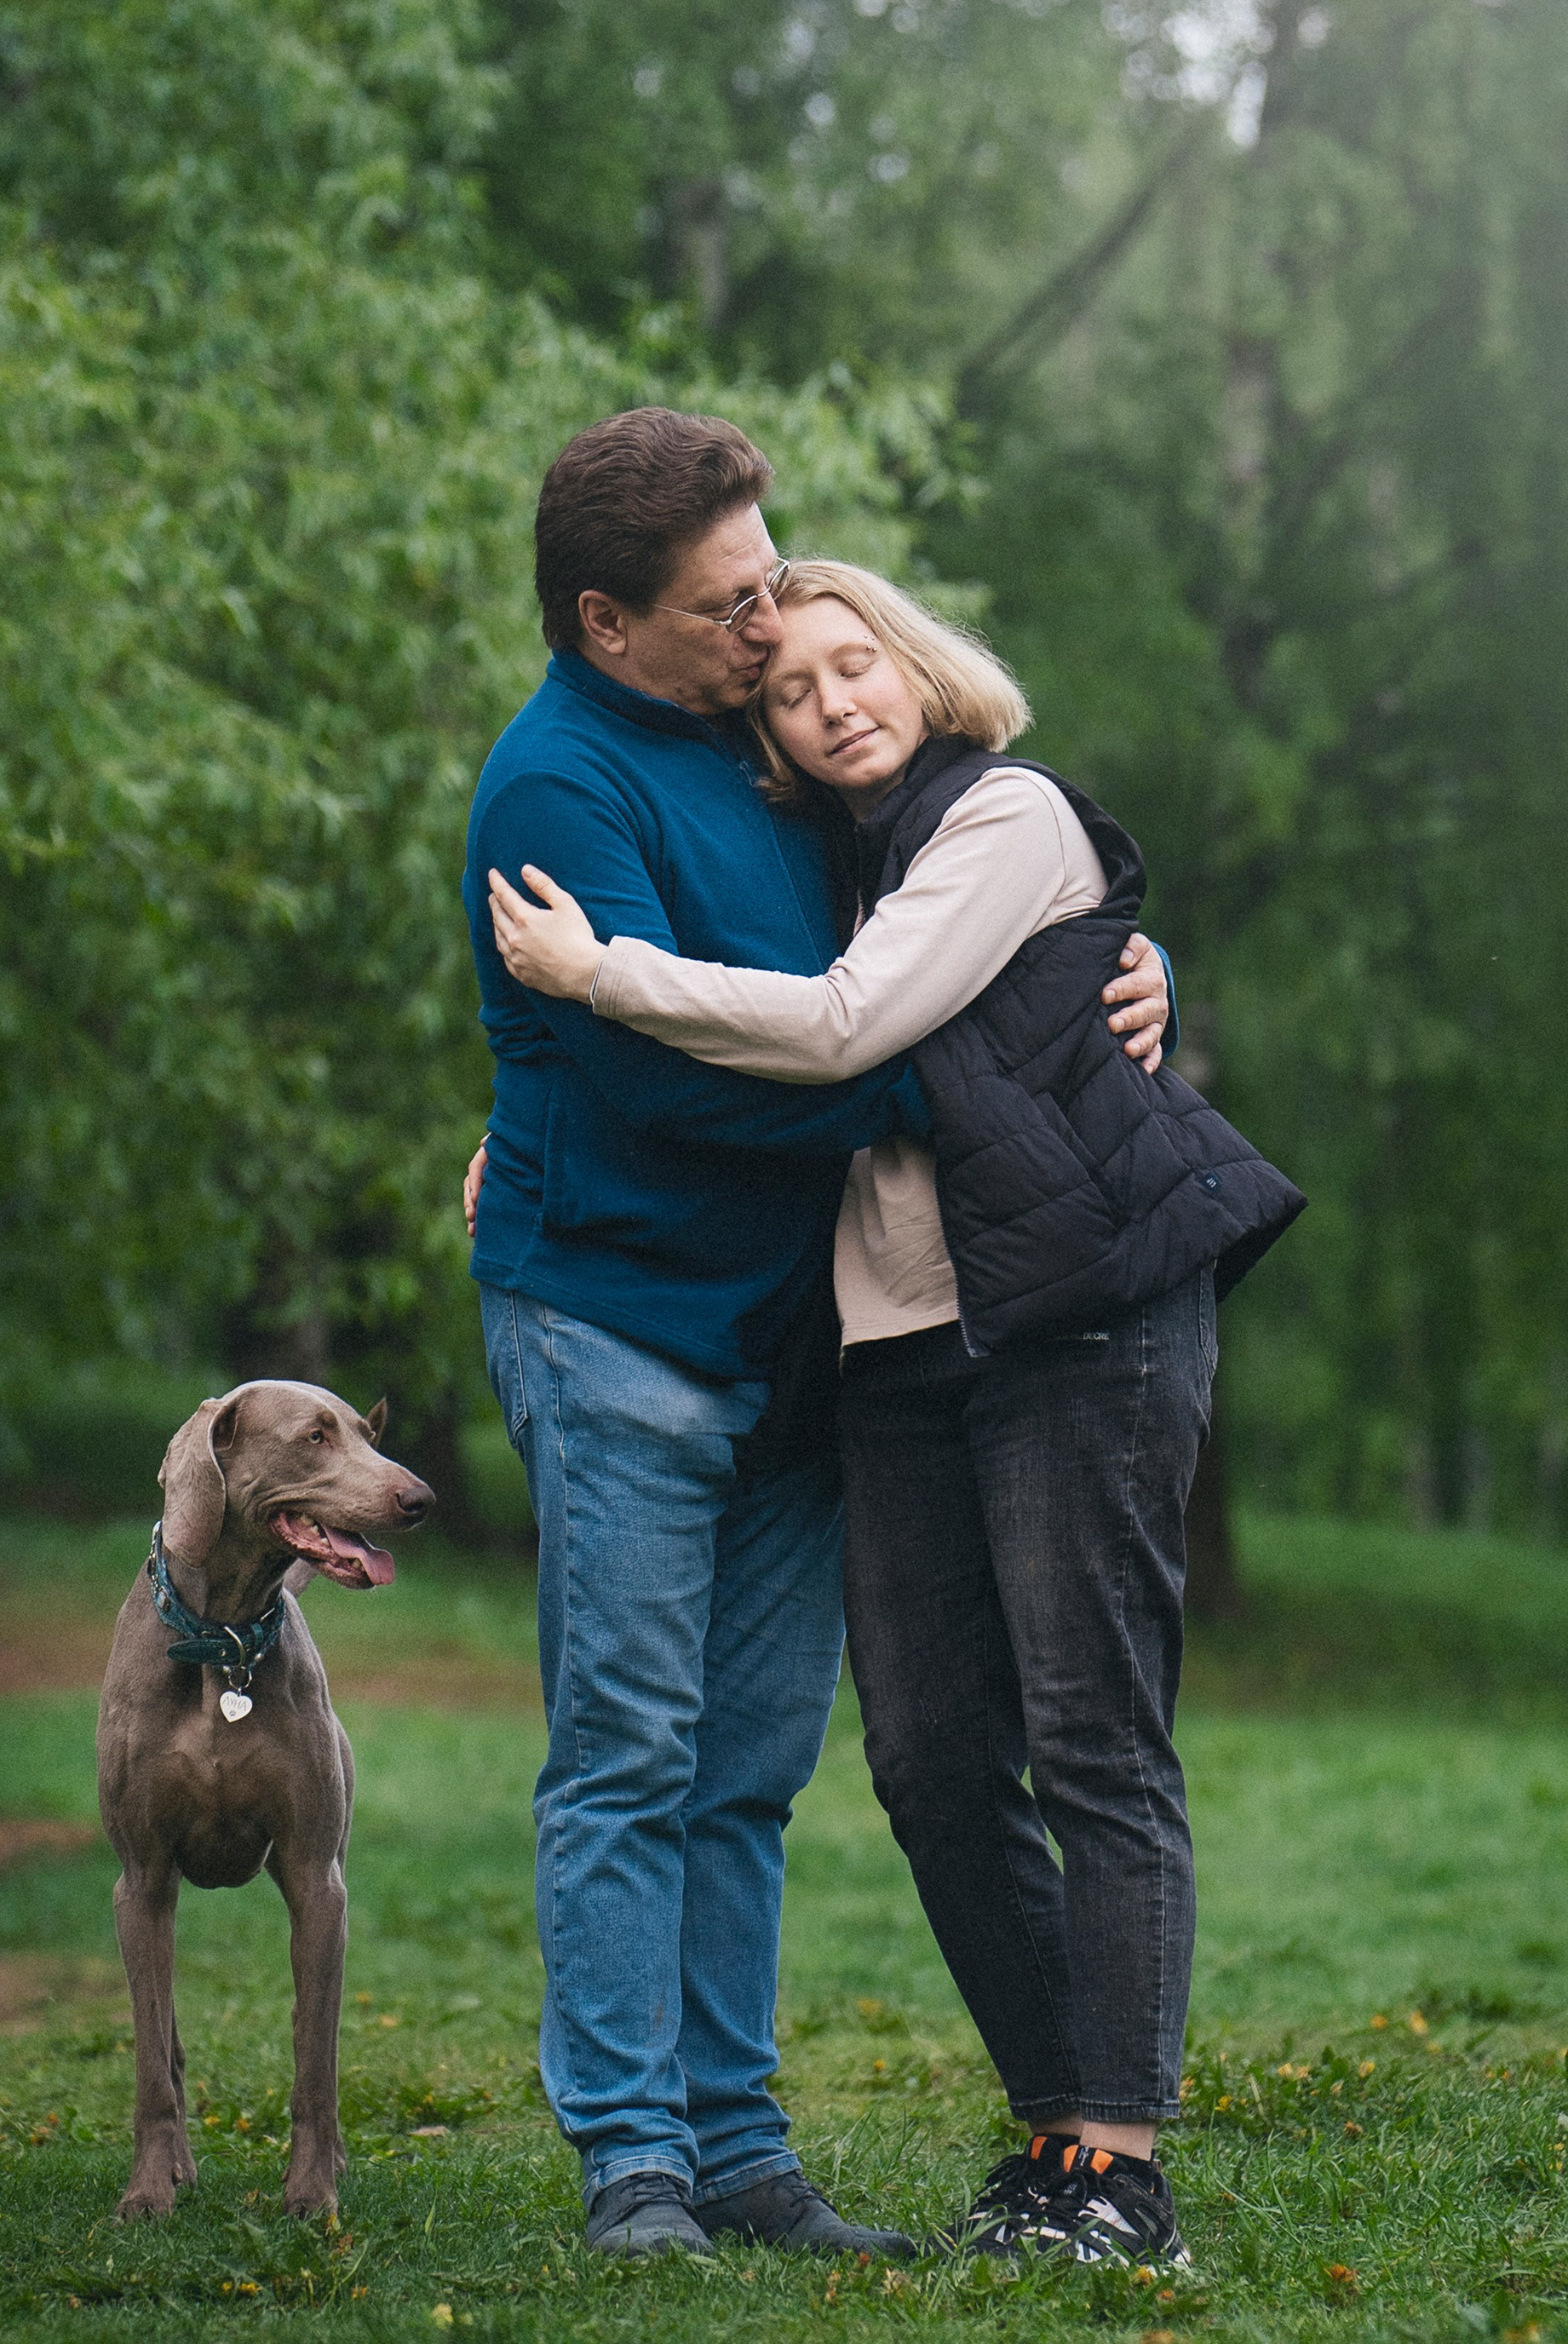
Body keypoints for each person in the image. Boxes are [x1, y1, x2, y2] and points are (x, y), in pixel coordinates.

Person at [485, 558, 1304, 2270]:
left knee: (1090, 1740)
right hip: (904, 1351)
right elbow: (829, 1018)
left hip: (1082, 1319)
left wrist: (596, 976)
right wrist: (540, 1144)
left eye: (856, 664)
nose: (828, 699)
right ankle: (1052, 2138)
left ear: (922, 669)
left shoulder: (1000, 814)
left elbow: (851, 1024)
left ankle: (1119, 2172)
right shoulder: (840, 859)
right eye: (786, 688)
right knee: (930, 1761)